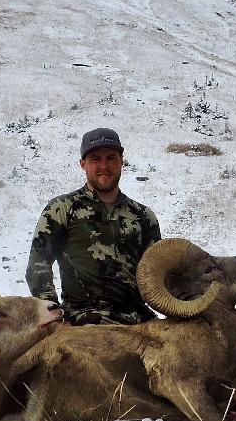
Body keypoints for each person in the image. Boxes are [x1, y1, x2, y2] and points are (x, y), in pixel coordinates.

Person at [25, 127, 161, 325]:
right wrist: (54, 316)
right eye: (95, 159)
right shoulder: (62, 209)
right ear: (83, 164)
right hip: (83, 321)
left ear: (121, 161)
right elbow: (38, 265)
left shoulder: (143, 216)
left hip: (140, 322)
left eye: (111, 158)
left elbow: (158, 273)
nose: (104, 166)